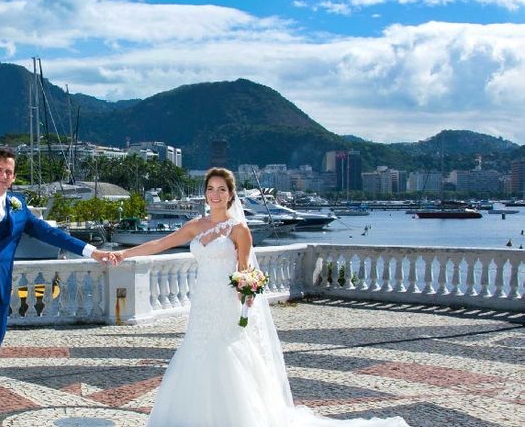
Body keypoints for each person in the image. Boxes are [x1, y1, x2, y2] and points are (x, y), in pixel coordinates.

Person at [107, 168, 409, 427]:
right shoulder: (195, 226)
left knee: (227, 352)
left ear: (230, 194)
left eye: (221, 190)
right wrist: (123, 253)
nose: (215, 194)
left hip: (226, 302)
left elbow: (244, 270)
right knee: (196, 350)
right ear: (205, 193)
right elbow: (161, 242)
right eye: (210, 189)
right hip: (202, 301)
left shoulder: (239, 230)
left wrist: (247, 292)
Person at [0, 148, 112, 427]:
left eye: (8, 172)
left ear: (13, 176)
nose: (3, 176)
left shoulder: (18, 205)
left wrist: (92, 251)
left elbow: (50, 233)